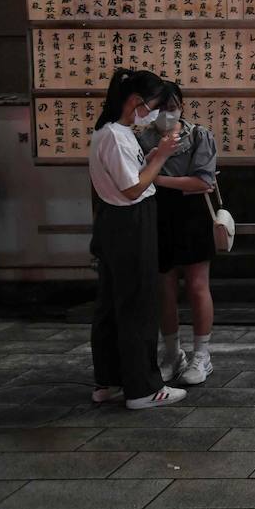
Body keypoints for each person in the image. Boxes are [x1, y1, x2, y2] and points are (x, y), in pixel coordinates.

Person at [88, 68, 188, 410]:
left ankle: (111, 380)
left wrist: (151, 156)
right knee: (137, 304)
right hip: (129, 222)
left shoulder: (111, 132)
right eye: (155, 104)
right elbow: (133, 188)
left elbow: (130, 173)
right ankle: (143, 388)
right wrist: (160, 156)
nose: (157, 112)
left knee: (112, 305)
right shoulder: (114, 135)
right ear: (136, 101)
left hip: (115, 222)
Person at [137, 82, 219, 385]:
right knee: (164, 289)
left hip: (191, 213)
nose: (165, 115)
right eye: (158, 109)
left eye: (170, 108)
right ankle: (172, 353)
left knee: (198, 286)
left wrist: (156, 179)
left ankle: (202, 355)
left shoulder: (198, 135)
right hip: (156, 213)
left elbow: (202, 182)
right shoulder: (143, 138)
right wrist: (152, 173)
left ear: (181, 106)